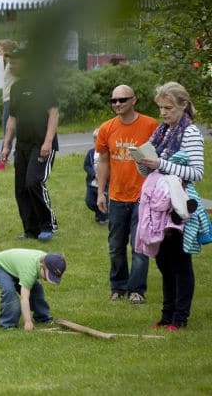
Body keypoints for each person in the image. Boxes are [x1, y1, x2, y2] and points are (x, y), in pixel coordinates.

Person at [136, 82, 204, 330]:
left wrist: (160, 165)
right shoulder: (162, 131)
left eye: (169, 107)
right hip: (158, 205)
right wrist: (142, 161)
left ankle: (180, 318)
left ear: (183, 105)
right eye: (161, 108)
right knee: (163, 261)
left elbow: (196, 172)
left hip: (179, 206)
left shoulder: (190, 132)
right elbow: (152, 167)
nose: (164, 113)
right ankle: (166, 315)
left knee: (179, 262)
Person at [95, 85, 160, 304]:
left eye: (122, 100)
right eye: (113, 100)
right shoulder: (106, 128)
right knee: (115, 246)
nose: (117, 104)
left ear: (134, 100)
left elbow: (160, 159)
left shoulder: (151, 125)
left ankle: (137, 290)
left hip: (143, 197)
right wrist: (101, 193)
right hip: (117, 196)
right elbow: (103, 161)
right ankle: (118, 286)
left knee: (139, 245)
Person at [0, 49, 59, 241]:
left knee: (33, 182)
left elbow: (53, 113)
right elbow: (12, 118)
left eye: (15, 63)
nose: (12, 66)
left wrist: (48, 141)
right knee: (21, 187)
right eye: (10, 63)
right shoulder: (16, 87)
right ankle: (30, 229)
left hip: (41, 144)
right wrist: (7, 145)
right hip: (22, 145)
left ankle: (48, 224)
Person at [0, 248, 65, 330]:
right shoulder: (29, 271)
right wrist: (28, 321)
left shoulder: (48, 260)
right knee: (9, 292)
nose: (47, 279)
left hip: (18, 268)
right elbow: (24, 298)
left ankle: (43, 318)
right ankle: (8, 324)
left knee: (37, 291)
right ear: (41, 266)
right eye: (48, 275)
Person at [0, 39, 19, 170]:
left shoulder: (12, 64)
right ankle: (6, 159)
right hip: (8, 99)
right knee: (11, 130)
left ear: (6, 52)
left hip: (11, 100)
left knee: (7, 130)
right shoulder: (8, 65)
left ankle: (2, 161)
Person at [83, 129, 108, 225]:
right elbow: (86, 166)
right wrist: (94, 174)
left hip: (104, 184)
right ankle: (98, 212)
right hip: (92, 183)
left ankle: (103, 217)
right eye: (95, 140)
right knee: (89, 201)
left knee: (103, 200)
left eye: (99, 140)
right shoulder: (90, 153)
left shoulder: (108, 153)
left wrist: (103, 176)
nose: (97, 142)